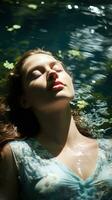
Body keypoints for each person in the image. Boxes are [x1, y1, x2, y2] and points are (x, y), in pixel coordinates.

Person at [0, 49, 112, 200]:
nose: (52, 73)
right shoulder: (16, 154)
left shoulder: (109, 149)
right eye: (36, 74)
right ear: (24, 100)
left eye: (57, 68)